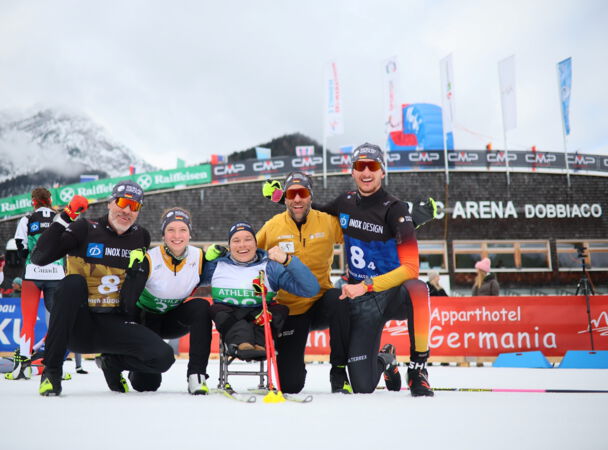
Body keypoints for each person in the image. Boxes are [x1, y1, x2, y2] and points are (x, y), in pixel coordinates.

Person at [30, 180, 175, 396]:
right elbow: (39, 257)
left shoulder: (140, 236)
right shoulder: (85, 228)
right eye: (123, 202)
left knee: (162, 360)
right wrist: (66, 216)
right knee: (72, 282)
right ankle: (51, 372)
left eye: (134, 206)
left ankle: (112, 363)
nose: (127, 210)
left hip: (114, 322)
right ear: (110, 203)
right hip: (78, 324)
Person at [318, 143, 434, 396]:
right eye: (360, 166)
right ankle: (386, 359)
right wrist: (282, 196)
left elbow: (411, 268)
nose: (366, 172)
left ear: (383, 171)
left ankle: (418, 369)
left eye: (373, 166)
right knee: (362, 386)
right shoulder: (344, 202)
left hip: (391, 294)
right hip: (363, 302)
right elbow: (310, 211)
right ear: (352, 171)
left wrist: (367, 285)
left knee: (418, 288)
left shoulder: (396, 209)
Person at [258, 172, 351, 394]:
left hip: (321, 303)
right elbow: (246, 251)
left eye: (303, 193)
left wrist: (406, 223)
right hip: (289, 312)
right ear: (286, 198)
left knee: (341, 299)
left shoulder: (327, 222)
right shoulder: (272, 227)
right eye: (292, 194)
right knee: (290, 385)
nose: (297, 199)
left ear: (310, 196)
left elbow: (360, 235)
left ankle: (338, 371)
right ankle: (295, 367)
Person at [119, 207, 212, 394]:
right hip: (145, 319)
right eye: (171, 230)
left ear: (190, 234)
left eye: (182, 230)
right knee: (146, 384)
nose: (177, 235)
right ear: (163, 234)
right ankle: (114, 360)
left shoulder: (200, 257)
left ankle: (197, 375)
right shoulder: (150, 258)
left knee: (201, 306)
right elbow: (128, 299)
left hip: (172, 319)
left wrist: (225, 257)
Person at [203, 221, 319, 367]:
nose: (242, 245)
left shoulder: (270, 267)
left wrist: (287, 261)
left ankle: (260, 344)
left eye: (248, 239)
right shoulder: (216, 265)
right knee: (215, 309)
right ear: (229, 245)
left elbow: (310, 289)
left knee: (280, 309)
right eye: (236, 240)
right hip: (230, 316)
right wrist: (204, 259)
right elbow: (187, 279)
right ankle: (243, 343)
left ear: (256, 243)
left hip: (260, 316)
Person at [7, 188, 64, 379]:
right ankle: (54, 365)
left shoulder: (27, 219)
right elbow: (67, 244)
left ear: (34, 201)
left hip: (32, 273)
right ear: (49, 200)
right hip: (56, 273)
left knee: (28, 321)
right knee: (56, 321)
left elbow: (20, 244)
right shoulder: (59, 218)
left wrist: (29, 258)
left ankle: (23, 365)